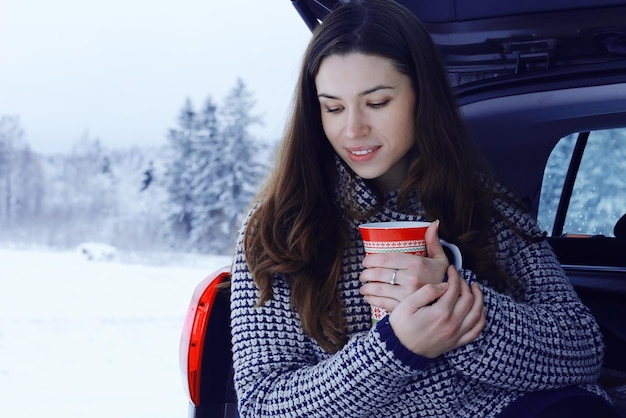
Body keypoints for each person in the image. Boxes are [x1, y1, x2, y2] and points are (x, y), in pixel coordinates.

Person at [229, 0, 618, 416]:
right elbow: (263, 404)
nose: (353, 129)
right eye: (334, 107)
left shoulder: (484, 203)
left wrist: (462, 309)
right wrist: (396, 347)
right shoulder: (278, 226)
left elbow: (581, 347)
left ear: (421, 96)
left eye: (377, 103)